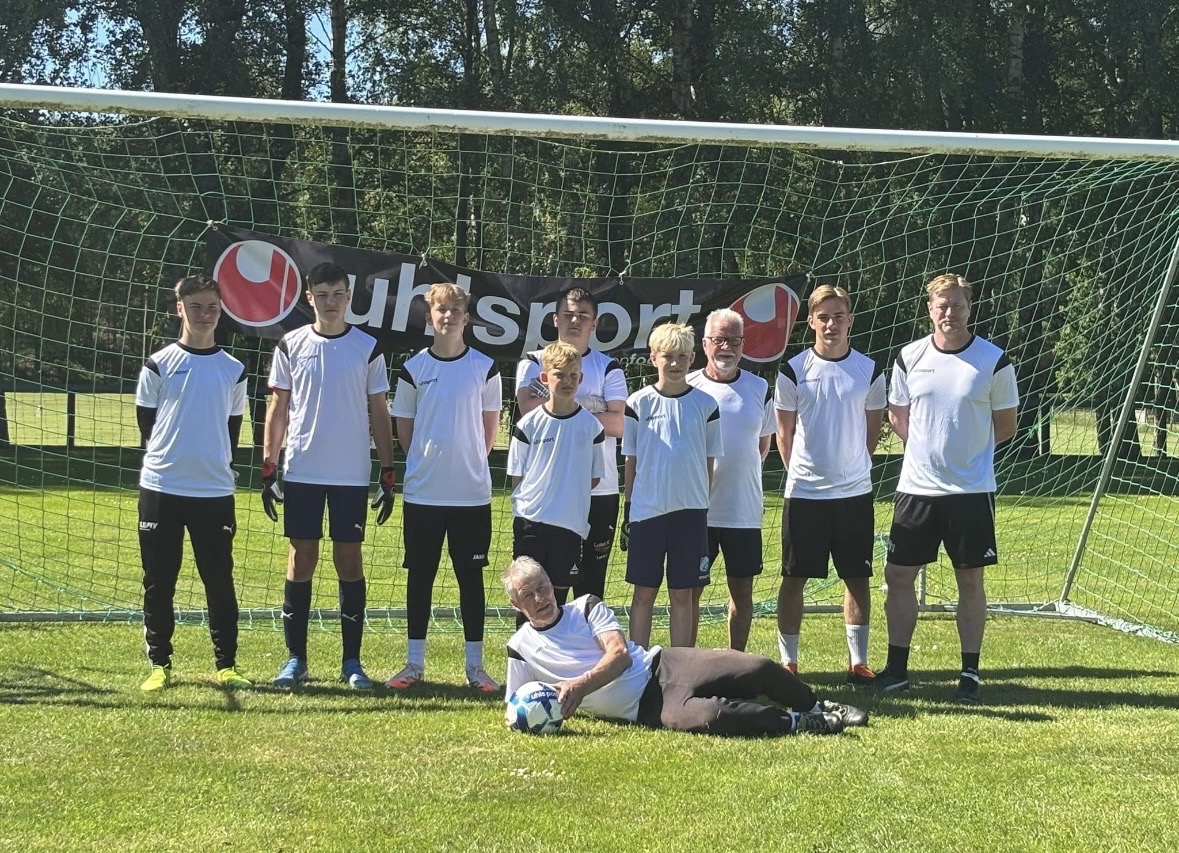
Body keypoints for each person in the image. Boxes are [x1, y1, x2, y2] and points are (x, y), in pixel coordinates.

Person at [502, 556, 867, 736]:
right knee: (714, 716)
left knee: (755, 666)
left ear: (552, 583)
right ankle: (801, 722)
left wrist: (579, 687)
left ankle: (815, 703)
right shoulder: (519, 647)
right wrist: (546, 710)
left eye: (543, 587)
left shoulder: (585, 607)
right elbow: (514, 707)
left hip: (663, 665)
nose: (540, 598)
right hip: (644, 708)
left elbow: (620, 656)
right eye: (528, 595)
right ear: (516, 605)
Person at [875, 273, 1018, 703]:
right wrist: (928, 450)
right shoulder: (908, 357)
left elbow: (1006, 426)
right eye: (942, 305)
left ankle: (970, 673)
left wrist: (966, 456)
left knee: (969, 581)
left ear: (969, 308)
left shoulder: (994, 361)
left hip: (971, 492)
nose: (949, 313)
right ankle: (896, 670)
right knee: (898, 575)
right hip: (917, 489)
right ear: (930, 309)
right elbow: (898, 417)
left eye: (957, 305)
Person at [262, 262, 396, 691]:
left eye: (338, 294)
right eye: (322, 295)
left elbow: (380, 412)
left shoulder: (367, 347)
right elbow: (278, 408)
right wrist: (269, 465)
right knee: (301, 559)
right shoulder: (291, 344)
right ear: (309, 298)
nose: (331, 302)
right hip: (303, 469)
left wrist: (387, 470)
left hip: (350, 474)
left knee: (349, 561)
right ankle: (295, 659)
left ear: (348, 296)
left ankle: (352, 662)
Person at [135, 273, 249, 691]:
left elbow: (232, 431)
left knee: (219, 581)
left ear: (221, 311)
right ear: (179, 308)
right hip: (162, 487)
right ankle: (159, 664)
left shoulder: (234, 370)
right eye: (196, 306)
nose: (205, 314)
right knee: (159, 580)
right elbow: (148, 427)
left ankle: (227, 665)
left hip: (214, 491)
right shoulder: (158, 364)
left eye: (212, 307)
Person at [386, 282, 502, 692]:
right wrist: (429, 462)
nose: (448, 316)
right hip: (424, 494)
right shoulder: (413, 368)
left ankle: (475, 667)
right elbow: (404, 431)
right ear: (429, 317)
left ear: (466, 318)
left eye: (455, 310)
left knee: (471, 579)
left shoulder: (485, 368)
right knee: (420, 577)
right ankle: (414, 664)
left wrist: (463, 463)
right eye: (441, 310)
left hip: (471, 496)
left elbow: (489, 435)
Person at [774, 285, 886, 684]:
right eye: (823, 317)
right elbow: (784, 434)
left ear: (850, 320)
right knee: (794, 578)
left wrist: (851, 469)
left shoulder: (869, 370)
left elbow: (872, 432)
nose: (831, 324)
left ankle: (858, 662)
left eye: (839, 316)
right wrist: (803, 474)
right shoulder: (793, 370)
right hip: (805, 494)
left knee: (857, 577)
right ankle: (789, 663)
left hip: (854, 493)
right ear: (811, 322)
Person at [515, 287, 628, 600]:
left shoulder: (608, 367)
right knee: (544, 589)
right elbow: (529, 412)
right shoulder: (533, 362)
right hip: (547, 493)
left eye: (583, 315)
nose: (575, 321)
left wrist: (562, 405)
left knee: (590, 588)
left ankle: (588, 636)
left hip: (599, 489)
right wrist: (592, 404)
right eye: (568, 314)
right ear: (555, 319)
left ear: (594, 323)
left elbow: (619, 424)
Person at [622, 322, 722, 649]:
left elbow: (708, 461)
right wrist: (629, 509)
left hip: (690, 513)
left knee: (682, 594)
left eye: (682, 356)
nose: (675, 363)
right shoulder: (638, 403)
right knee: (644, 593)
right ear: (653, 358)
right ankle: (639, 665)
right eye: (668, 356)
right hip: (647, 512)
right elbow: (632, 461)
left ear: (692, 358)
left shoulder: (706, 405)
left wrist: (701, 506)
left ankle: (681, 667)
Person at [686, 309, 775, 651]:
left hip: (743, 511)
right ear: (705, 344)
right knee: (690, 591)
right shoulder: (688, 386)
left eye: (734, 340)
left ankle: (736, 662)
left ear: (743, 344)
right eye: (719, 339)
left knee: (742, 591)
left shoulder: (759, 388)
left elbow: (762, 446)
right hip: (697, 512)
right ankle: (688, 663)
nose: (726, 347)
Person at [507, 342, 605, 618]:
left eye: (573, 375)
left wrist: (566, 495)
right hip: (531, 523)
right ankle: (524, 647)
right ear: (544, 377)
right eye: (559, 374)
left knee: (556, 601)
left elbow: (594, 478)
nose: (567, 381)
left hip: (569, 526)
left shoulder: (592, 426)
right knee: (528, 595)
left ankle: (555, 647)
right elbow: (517, 476)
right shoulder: (528, 424)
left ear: (581, 378)